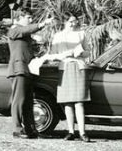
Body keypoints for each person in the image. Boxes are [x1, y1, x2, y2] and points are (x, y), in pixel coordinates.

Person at [7, 7, 53, 139]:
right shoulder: (14, 30)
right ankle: (17, 129)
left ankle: (30, 129)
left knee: (28, 102)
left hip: (27, 70)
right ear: (18, 18)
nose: (31, 20)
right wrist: (42, 24)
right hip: (18, 70)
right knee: (19, 100)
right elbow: (25, 30)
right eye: (28, 18)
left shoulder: (24, 34)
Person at [47, 15, 91, 142]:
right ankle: (71, 131)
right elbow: (53, 55)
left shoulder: (81, 34)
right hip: (65, 67)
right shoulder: (58, 36)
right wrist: (65, 54)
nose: (73, 24)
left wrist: (82, 53)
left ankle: (82, 132)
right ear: (65, 22)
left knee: (79, 101)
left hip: (79, 66)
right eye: (70, 22)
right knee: (68, 101)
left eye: (75, 21)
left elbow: (88, 51)